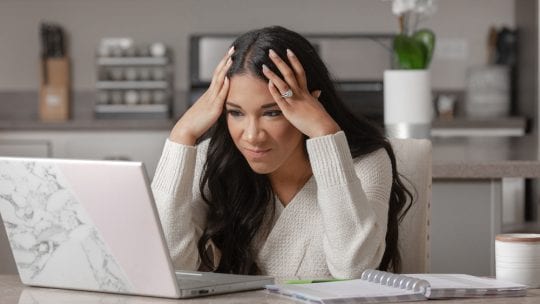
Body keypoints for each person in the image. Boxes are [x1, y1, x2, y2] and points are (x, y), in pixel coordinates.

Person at [151, 26, 412, 279]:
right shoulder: (212, 160)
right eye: (236, 113)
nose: (252, 135)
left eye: (272, 112)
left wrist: (324, 133)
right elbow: (168, 267)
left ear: (310, 106)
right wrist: (181, 136)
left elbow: (354, 268)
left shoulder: (365, 163)